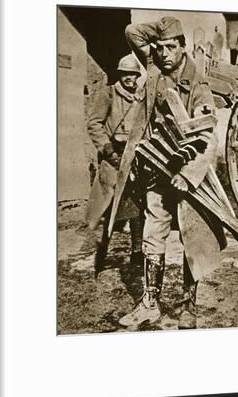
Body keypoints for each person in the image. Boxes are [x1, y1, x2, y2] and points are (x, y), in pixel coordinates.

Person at [117, 16, 226, 329]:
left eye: (170, 47)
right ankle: (150, 304)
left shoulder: (198, 86)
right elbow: (131, 32)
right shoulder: (154, 68)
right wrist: (165, 27)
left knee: (193, 237)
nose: (163, 53)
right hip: (157, 168)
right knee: (153, 234)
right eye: (159, 48)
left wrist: (190, 173)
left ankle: (188, 307)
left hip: (188, 173)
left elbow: (208, 134)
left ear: (183, 48)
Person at [85, 54, 145, 271]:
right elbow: (94, 124)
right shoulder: (108, 93)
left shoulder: (140, 96)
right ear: (120, 74)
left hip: (134, 156)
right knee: (109, 204)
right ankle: (101, 251)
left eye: (133, 74)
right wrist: (108, 151)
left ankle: (137, 251)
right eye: (126, 74)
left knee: (136, 202)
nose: (130, 78)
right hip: (113, 156)